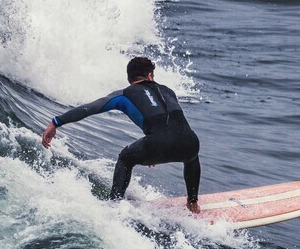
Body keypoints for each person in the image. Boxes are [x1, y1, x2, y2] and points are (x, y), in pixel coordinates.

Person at [41, 56, 201, 212]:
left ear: (129, 77)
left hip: (157, 144)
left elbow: (90, 108)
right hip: (191, 143)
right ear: (150, 75)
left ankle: (114, 206)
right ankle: (193, 202)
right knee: (191, 155)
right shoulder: (168, 90)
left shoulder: (125, 94)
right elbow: (169, 123)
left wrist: (56, 122)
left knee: (125, 159)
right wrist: (155, 145)